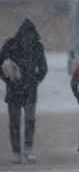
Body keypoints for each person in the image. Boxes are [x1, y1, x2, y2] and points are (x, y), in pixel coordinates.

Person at [0, 19, 47, 163]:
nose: (28, 36)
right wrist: (8, 79)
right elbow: (2, 66)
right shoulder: (10, 45)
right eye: (26, 33)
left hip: (29, 90)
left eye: (30, 33)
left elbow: (43, 68)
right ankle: (17, 151)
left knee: (29, 120)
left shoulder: (37, 47)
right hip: (15, 90)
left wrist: (35, 81)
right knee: (16, 122)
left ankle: (27, 148)